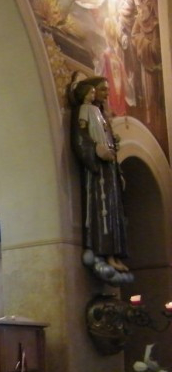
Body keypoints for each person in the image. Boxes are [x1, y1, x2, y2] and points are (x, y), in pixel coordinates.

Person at [70, 75, 129, 275]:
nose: (106, 94)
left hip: (109, 169)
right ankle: (103, 251)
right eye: (102, 90)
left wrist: (118, 171)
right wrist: (95, 150)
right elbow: (80, 138)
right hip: (98, 170)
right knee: (102, 210)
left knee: (113, 210)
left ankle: (115, 254)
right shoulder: (84, 111)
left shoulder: (101, 114)